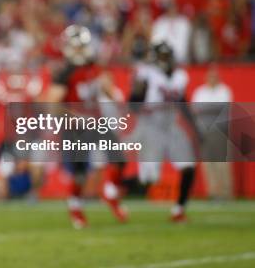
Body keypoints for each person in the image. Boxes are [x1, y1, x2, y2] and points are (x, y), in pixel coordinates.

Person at [54, 25, 128, 229]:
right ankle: (75, 208)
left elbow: (104, 86)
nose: (78, 51)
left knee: (119, 157)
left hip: (96, 122)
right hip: (74, 127)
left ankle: (111, 193)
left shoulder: (93, 66)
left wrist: (117, 100)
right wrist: (75, 116)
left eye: (81, 47)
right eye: (75, 47)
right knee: (79, 172)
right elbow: (52, 105)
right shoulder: (64, 72)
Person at [130, 41, 201, 222]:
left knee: (188, 166)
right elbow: (133, 101)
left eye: (167, 56)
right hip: (151, 125)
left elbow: (182, 104)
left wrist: (196, 130)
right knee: (149, 178)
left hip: (170, 124)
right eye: (162, 56)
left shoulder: (180, 76)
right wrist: (138, 97)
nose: (165, 60)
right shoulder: (147, 74)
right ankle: (116, 189)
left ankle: (179, 210)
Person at [191, 66, 234, 199]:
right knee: (208, 163)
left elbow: (223, 107)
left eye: (214, 76)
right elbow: (195, 109)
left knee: (222, 162)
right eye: (210, 76)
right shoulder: (200, 91)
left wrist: (205, 108)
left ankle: (226, 192)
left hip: (220, 131)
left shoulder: (224, 90)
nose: (212, 79)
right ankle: (213, 192)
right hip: (203, 132)